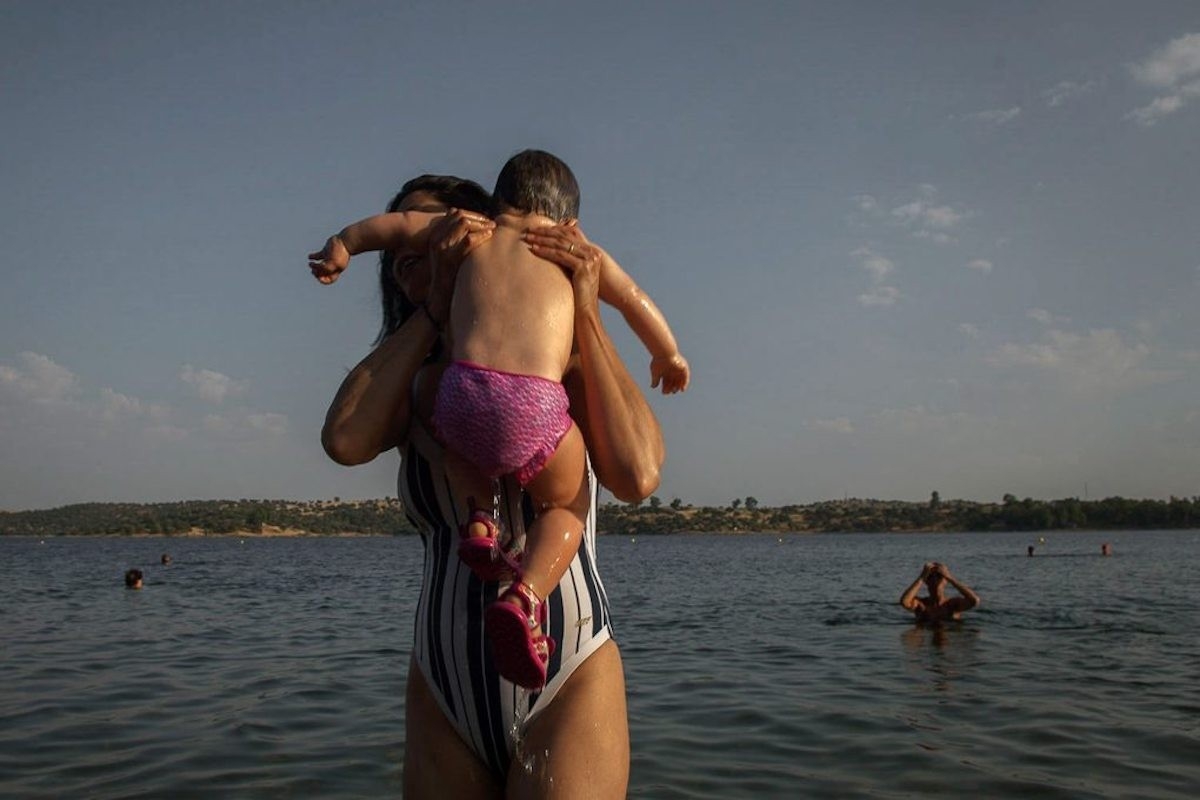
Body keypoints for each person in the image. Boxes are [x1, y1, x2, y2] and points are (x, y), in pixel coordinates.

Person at [316, 173, 663, 798]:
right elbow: (344, 440)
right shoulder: (417, 383)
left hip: (569, 670)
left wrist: (585, 311)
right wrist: (434, 309)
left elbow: (637, 474)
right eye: (406, 253)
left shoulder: (558, 362)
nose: (419, 249)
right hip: (444, 682)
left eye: (443, 227)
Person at [899, 562, 979, 624]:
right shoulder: (921, 605)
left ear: (946, 581)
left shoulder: (952, 605)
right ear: (926, 581)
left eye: (939, 576)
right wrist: (922, 577)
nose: (935, 580)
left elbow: (974, 601)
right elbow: (904, 602)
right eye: (930, 577)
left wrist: (949, 577)